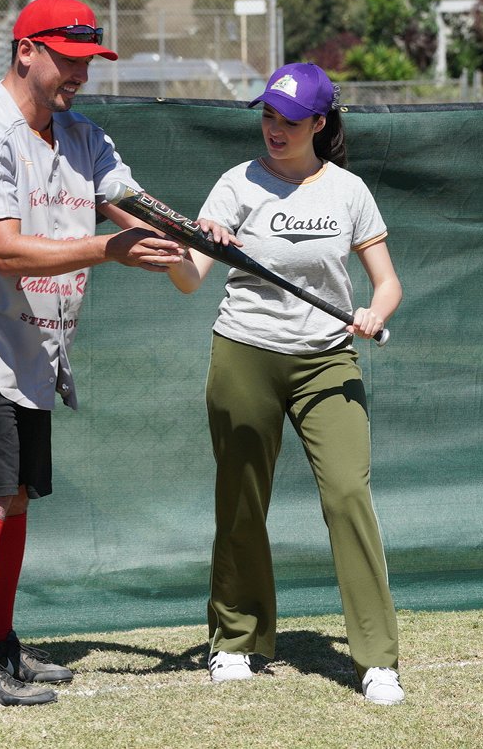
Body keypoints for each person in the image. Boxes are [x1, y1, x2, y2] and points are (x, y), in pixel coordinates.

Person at [0, 0, 227, 708]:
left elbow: (131, 202)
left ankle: (0, 646)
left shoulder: (81, 135)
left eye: (89, 61)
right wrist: (110, 249)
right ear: (26, 51)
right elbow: (2, 248)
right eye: (69, 59)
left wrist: (197, 231)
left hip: (29, 340)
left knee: (14, 497)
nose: (81, 73)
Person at [168, 62, 405, 705]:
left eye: (290, 120)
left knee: (348, 493)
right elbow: (188, 278)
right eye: (268, 115)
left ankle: (377, 657)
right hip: (245, 352)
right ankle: (235, 640)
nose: (275, 129)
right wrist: (201, 243)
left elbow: (386, 282)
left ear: (319, 124)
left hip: (329, 359)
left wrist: (373, 314)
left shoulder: (349, 191)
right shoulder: (234, 185)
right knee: (241, 499)